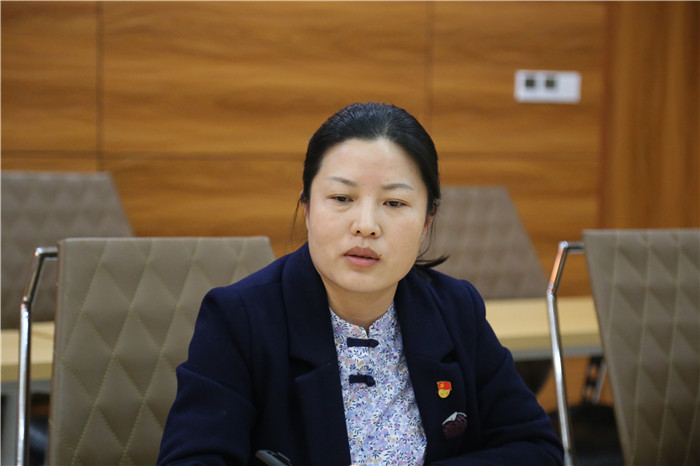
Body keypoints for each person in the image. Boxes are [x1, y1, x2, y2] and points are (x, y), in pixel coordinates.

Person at [157, 102, 564, 465]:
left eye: (394, 203)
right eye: (341, 198)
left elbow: (536, 448)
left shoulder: (455, 308)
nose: (366, 225)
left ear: (426, 223)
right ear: (307, 208)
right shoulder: (239, 319)